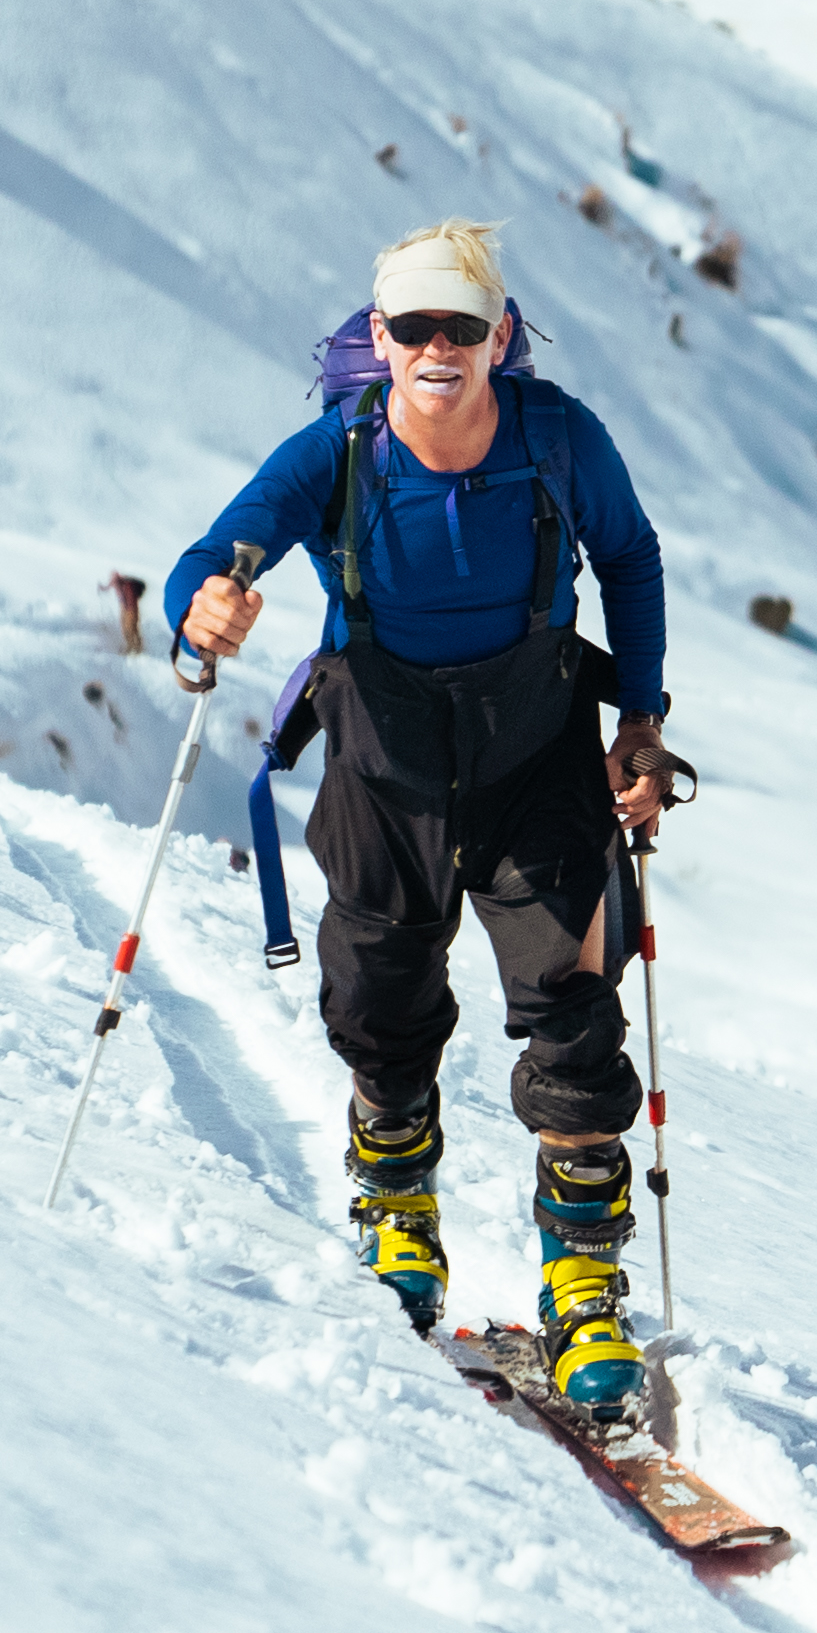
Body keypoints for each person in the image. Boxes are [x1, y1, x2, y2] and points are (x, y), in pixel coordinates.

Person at [164, 219, 671, 1415]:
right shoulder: (335, 451)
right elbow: (210, 558)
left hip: (536, 751)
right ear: (379, 338)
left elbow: (632, 560)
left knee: (571, 1002)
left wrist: (637, 724)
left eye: (461, 325)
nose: (437, 347)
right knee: (377, 995)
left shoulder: (558, 439)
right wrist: (204, 610)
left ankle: (583, 1287)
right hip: (383, 758)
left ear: (501, 335)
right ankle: (398, 1217)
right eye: (412, 327)